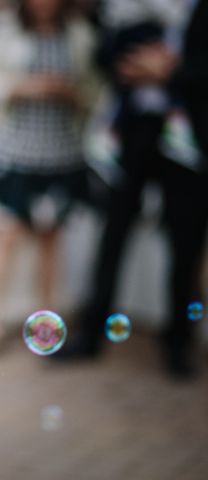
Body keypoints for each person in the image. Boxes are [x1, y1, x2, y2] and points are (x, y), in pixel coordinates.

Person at [57, 0, 208, 379]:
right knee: (112, 234)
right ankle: (92, 333)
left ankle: (178, 343)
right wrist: (128, 64)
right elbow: (102, 53)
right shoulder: (125, 7)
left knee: (185, 241)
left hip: (187, 138)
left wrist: (170, 73)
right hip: (132, 132)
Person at [0, 0, 99, 354]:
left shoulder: (78, 34)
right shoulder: (7, 29)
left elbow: (96, 91)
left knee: (50, 237)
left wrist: (71, 92)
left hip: (61, 152)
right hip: (15, 152)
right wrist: (21, 88)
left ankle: (45, 323)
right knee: (5, 235)